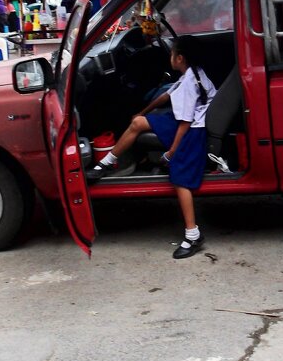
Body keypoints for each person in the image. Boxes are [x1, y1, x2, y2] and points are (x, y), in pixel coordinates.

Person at [85, 36, 217, 259]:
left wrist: (171, 152)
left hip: (192, 130)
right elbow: (166, 96)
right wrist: (143, 113)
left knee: (180, 179)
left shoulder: (189, 84)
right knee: (137, 123)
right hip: (184, 121)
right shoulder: (192, 73)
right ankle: (106, 163)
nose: (169, 56)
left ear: (180, 58)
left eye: (172, 53)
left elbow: (185, 123)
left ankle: (193, 235)